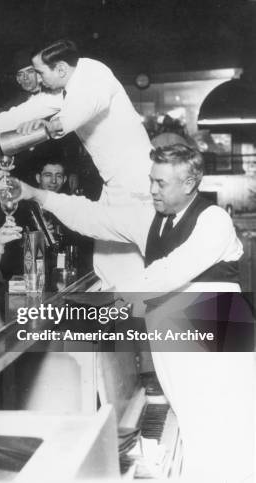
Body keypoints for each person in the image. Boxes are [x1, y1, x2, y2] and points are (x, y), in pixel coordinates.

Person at [19, 144, 252, 483]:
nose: (152, 190)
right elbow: (94, 217)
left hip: (219, 346)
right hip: (178, 345)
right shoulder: (153, 218)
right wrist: (36, 193)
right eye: (151, 181)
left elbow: (168, 273)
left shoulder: (214, 220)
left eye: (161, 183)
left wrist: (104, 306)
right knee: (192, 435)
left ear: (189, 183)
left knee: (226, 445)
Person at [0, 40, 153, 289]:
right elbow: (25, 111)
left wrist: (49, 126)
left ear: (61, 68)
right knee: (107, 265)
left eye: (40, 72)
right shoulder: (65, 84)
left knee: (137, 268)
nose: (38, 80)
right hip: (115, 184)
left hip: (138, 182)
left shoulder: (95, 77)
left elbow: (80, 111)